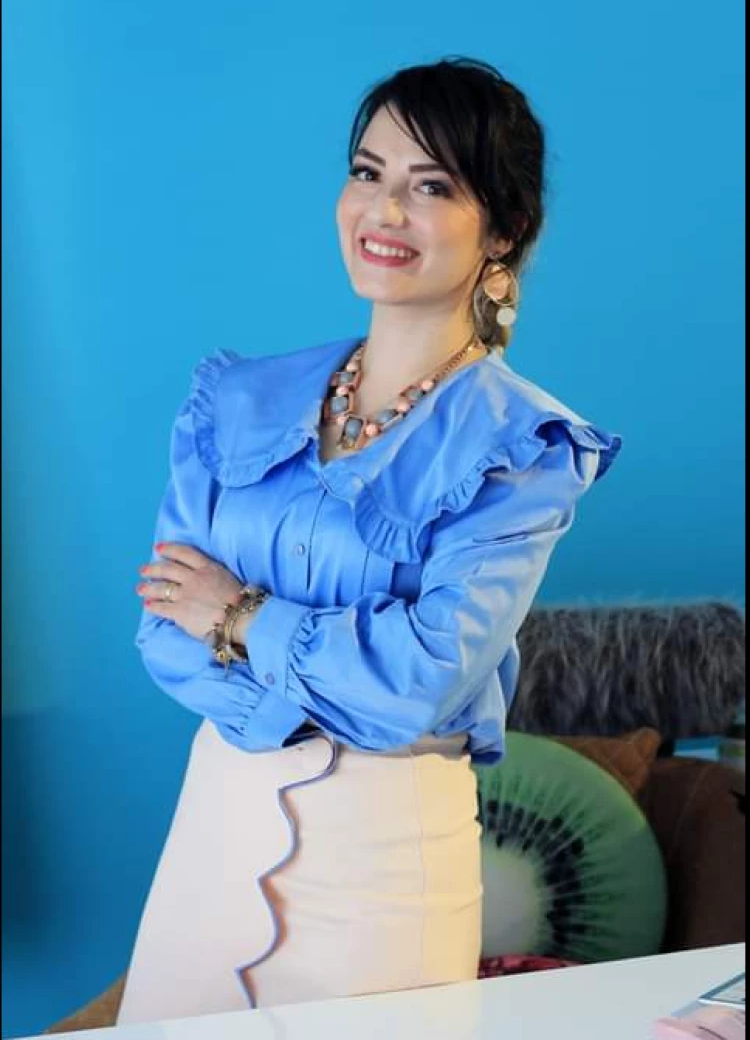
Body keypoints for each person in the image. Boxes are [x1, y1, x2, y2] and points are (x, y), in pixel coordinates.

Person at [117, 56, 622, 1024]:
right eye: (367, 172)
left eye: (431, 186)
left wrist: (240, 615)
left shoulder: (524, 448)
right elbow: (162, 630)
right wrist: (333, 689)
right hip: (210, 843)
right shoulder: (236, 398)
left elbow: (420, 680)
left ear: (504, 229)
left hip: (385, 872)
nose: (385, 209)